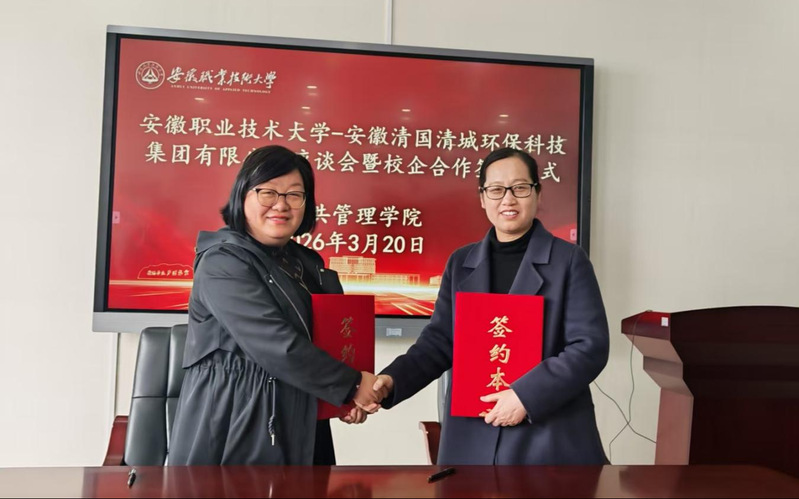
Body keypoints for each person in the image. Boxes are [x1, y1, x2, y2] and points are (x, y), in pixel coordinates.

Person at [370, 147, 609, 465]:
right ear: (482, 198)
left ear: (537, 193)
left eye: (520, 188)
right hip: (473, 436)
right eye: (496, 190)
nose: (508, 199)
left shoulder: (569, 261)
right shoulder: (461, 262)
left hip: (547, 436)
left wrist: (526, 396)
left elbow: (589, 347)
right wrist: (392, 380)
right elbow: (439, 342)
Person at [169, 145, 381, 466]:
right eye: (267, 192)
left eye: (294, 195)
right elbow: (275, 343)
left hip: (302, 421)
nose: (281, 205)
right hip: (237, 421)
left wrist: (340, 400)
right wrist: (350, 385)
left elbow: (327, 341)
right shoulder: (222, 262)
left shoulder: (307, 265)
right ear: (243, 195)